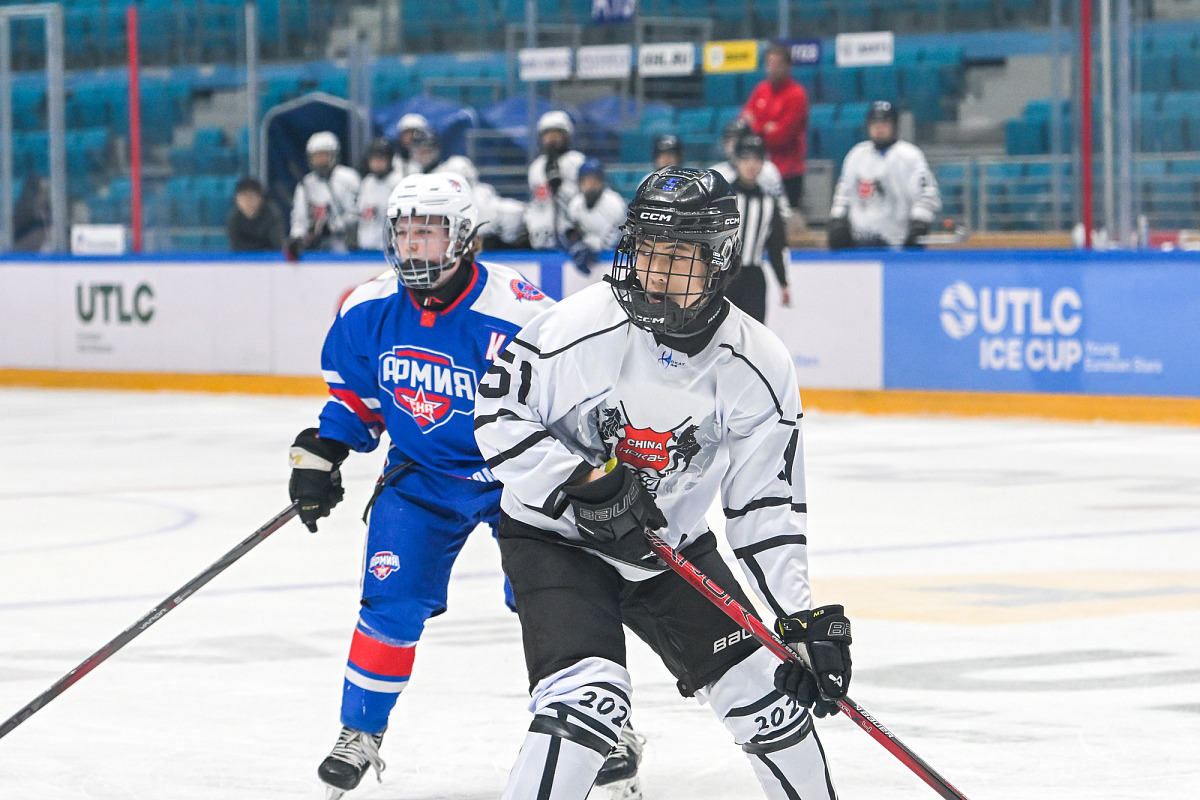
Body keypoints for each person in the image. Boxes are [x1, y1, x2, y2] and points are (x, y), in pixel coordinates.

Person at [473, 165, 853, 800]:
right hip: (556, 539)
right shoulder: (582, 322)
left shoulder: (757, 363)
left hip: (666, 547)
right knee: (587, 705)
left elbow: (766, 503)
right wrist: (583, 481)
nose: (653, 272)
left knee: (771, 702)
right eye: (646, 250)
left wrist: (798, 616)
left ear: (717, 261)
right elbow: (496, 413)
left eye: (675, 257)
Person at [286, 172, 641, 800]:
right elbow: (358, 399)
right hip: (424, 479)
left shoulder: (520, 313)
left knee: (555, 603)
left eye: (428, 232)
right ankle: (359, 731)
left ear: (463, 237)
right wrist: (325, 448)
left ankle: (605, 727)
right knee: (390, 601)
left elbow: (570, 400)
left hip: (516, 479)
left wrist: (590, 471)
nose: (413, 245)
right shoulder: (367, 308)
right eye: (404, 232)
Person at [827, 101, 942, 250]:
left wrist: (919, 223)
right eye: (874, 123)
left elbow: (926, 195)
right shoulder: (856, 155)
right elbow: (843, 193)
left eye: (884, 123)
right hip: (859, 243)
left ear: (895, 125)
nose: (879, 128)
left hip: (897, 244)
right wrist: (838, 219)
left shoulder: (910, 156)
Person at [725, 135, 790, 324]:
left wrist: (783, 282)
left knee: (754, 332)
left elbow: (776, 245)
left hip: (753, 279)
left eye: (756, 159)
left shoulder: (769, 202)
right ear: (737, 162)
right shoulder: (724, 198)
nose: (751, 165)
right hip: (724, 276)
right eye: (746, 159)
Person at [740, 42, 810, 210]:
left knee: (786, 218)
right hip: (758, 171)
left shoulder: (797, 95)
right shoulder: (761, 89)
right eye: (769, 64)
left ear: (788, 66)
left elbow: (780, 136)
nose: (772, 69)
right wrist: (765, 128)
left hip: (788, 171)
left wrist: (756, 127)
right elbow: (744, 124)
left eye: (777, 64)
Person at [287, 131, 361, 259]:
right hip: (315, 252)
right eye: (316, 157)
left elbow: (356, 213)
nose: (320, 161)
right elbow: (299, 219)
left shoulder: (348, 179)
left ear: (333, 155)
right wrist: (297, 237)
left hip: (346, 249)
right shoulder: (305, 184)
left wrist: (333, 227)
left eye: (324, 156)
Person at [524, 110, 586, 250]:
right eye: (547, 134)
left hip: (574, 238)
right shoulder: (536, 167)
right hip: (544, 240)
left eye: (556, 133)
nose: (552, 138)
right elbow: (536, 202)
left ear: (567, 136)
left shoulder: (578, 161)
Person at [563, 157, 627, 274]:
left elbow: (614, 240)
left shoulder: (615, 203)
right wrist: (576, 245)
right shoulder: (575, 204)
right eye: (586, 181)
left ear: (602, 181)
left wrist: (589, 246)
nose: (590, 186)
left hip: (615, 261)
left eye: (594, 181)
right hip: (586, 261)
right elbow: (569, 233)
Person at [711, 119, 789, 213]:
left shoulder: (768, 170)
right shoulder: (716, 173)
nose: (733, 145)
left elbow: (782, 207)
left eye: (738, 139)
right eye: (729, 140)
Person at [355, 138, 403, 251]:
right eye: (373, 159)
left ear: (390, 159)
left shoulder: (398, 181)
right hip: (365, 247)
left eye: (381, 158)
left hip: (389, 250)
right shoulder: (367, 182)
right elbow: (360, 212)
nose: (376, 163)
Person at [227, 176, 285, 252]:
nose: (248, 202)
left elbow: (277, 244)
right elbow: (235, 246)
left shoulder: (272, 215)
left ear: (261, 198)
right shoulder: (234, 218)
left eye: (252, 197)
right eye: (243, 197)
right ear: (236, 200)